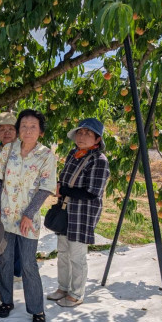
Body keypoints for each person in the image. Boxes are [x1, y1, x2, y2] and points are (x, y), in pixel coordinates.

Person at [0, 109, 56, 322]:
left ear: (41, 132)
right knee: (5, 260)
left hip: (28, 220)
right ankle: (6, 301)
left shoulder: (46, 155)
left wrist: (29, 214)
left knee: (28, 264)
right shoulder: (9, 150)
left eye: (33, 126)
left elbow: (46, 188)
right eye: (24, 126)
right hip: (6, 216)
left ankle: (37, 310)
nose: (28, 130)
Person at [47, 118, 110, 307]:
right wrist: (59, 187)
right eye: (80, 132)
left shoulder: (99, 160)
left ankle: (76, 294)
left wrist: (64, 190)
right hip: (66, 210)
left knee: (76, 255)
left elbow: (92, 193)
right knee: (63, 252)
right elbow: (65, 179)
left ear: (97, 139)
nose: (82, 136)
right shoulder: (74, 154)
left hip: (82, 215)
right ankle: (63, 287)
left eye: (88, 133)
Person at [0, 112, 22, 282]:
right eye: (2, 129)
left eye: (11, 129)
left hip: (17, 201)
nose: (6, 132)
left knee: (16, 236)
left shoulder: (22, 150)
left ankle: (16, 270)